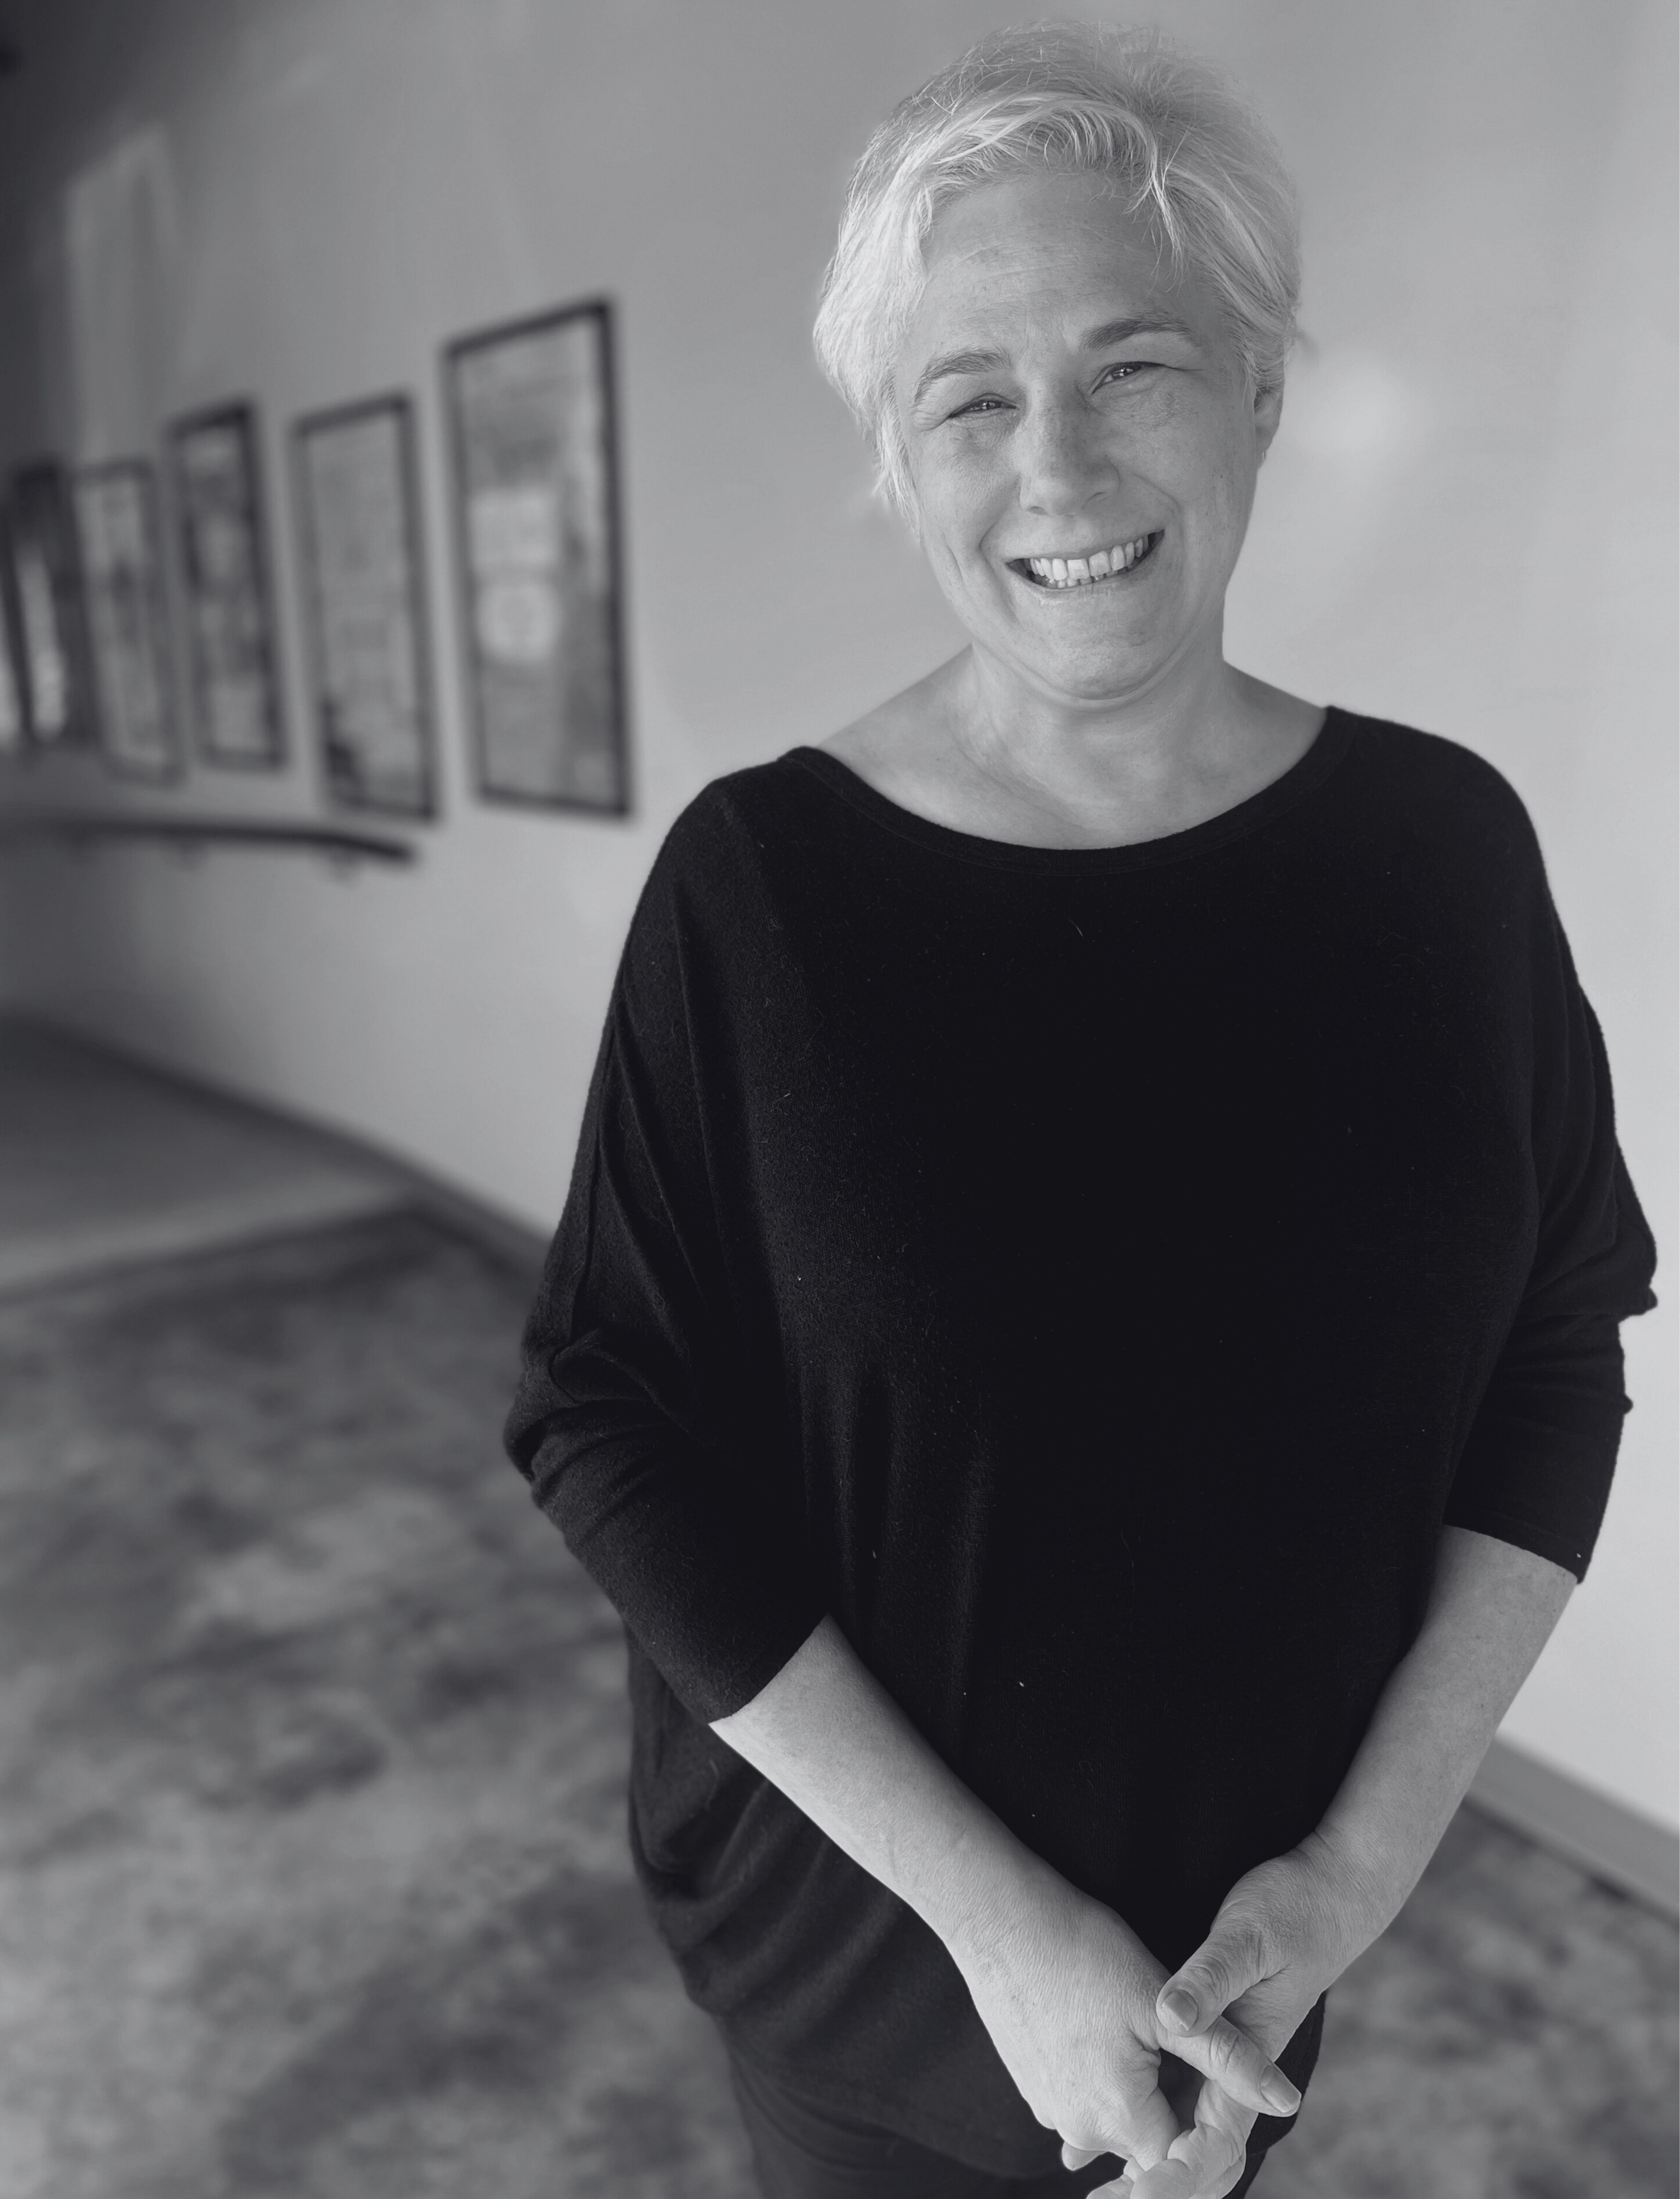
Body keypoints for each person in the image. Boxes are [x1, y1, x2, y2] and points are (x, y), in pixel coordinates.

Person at [505, 23, 1657, 2199]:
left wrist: (1351, 1876)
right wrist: (1012, 1945)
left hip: (1269, 1943)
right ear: (898, 452)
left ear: (1257, 392)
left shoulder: (1441, 850)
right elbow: (606, 1419)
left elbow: (1553, 1343)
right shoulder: (763, 891)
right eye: (967, 394)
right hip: (874, 1972)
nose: (1054, 464)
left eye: (1131, 364)